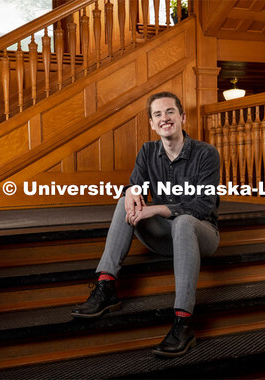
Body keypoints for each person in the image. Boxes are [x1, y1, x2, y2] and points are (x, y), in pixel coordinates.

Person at [71, 92, 220, 358]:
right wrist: (131, 191)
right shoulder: (147, 151)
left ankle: (183, 322)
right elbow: (135, 186)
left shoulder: (206, 153)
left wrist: (159, 208)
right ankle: (106, 286)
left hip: (201, 233)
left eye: (170, 112)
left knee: (184, 220)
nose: (165, 118)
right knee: (123, 202)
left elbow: (204, 204)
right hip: (164, 235)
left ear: (182, 117)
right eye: (158, 114)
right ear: (152, 124)